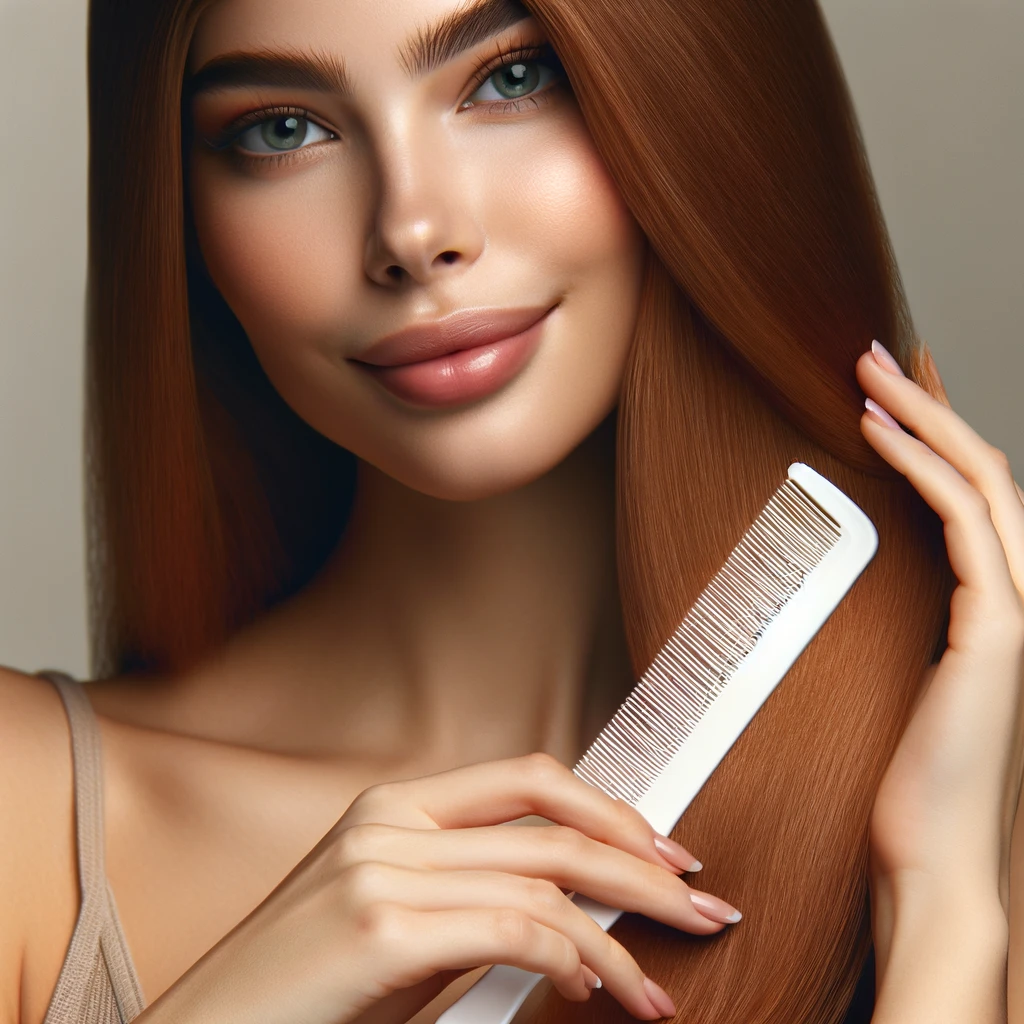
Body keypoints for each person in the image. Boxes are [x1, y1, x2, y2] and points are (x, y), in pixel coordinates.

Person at [1, 0, 1021, 1021]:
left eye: (511, 78)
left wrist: (943, 914)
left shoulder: (962, 815)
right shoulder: (28, 811)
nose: (412, 230)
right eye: (282, 128)